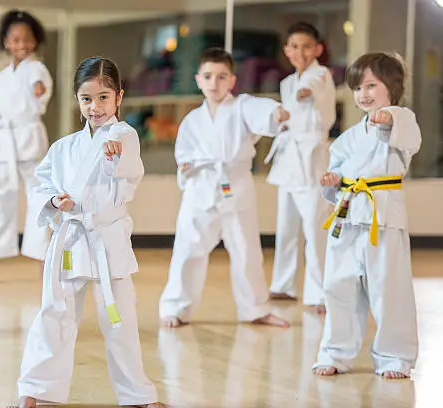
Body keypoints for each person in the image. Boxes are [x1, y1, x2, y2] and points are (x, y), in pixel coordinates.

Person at [10, 57, 165, 408]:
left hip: (107, 238)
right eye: (86, 99)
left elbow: (128, 165)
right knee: (55, 313)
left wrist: (113, 157)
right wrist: (54, 199)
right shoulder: (64, 147)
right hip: (71, 237)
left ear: (119, 97)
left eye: (103, 98)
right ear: (77, 100)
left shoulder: (124, 135)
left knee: (119, 318)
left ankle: (137, 395)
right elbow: (41, 182)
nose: (94, 107)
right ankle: (35, 389)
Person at [158, 48, 290, 329]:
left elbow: (260, 109)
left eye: (221, 77)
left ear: (232, 80)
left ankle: (255, 309)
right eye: (208, 76)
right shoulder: (193, 120)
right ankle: (176, 308)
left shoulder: (241, 106)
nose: (214, 83)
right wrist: (186, 167)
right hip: (200, 188)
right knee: (187, 250)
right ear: (198, 80)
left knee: (246, 250)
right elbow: (183, 153)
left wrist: (276, 113)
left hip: (236, 185)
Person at [313, 52, 420, 379]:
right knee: (337, 287)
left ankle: (394, 356)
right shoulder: (346, 139)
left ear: (393, 87)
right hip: (347, 217)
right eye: (358, 87)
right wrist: (331, 183)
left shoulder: (402, 120)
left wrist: (390, 119)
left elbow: (410, 138)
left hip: (383, 218)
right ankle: (334, 352)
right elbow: (335, 176)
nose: (364, 94)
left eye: (372, 85)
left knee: (390, 289)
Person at [266, 22, 336, 313]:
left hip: (313, 158)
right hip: (289, 161)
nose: (300, 52)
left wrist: (304, 92)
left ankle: (320, 293)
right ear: (286, 50)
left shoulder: (320, 74)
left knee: (315, 227)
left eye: (306, 46)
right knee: (286, 228)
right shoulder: (286, 82)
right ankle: (283, 286)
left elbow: (311, 89)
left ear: (318, 49)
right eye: (294, 46)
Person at [0, 10, 53, 284]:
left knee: (39, 200)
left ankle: (43, 260)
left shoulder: (37, 69)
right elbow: (2, 109)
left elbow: (40, 87)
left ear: (35, 42)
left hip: (29, 141)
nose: (21, 44)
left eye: (27, 39)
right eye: (15, 39)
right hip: (3, 143)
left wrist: (38, 89)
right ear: (6, 42)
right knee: (0, 202)